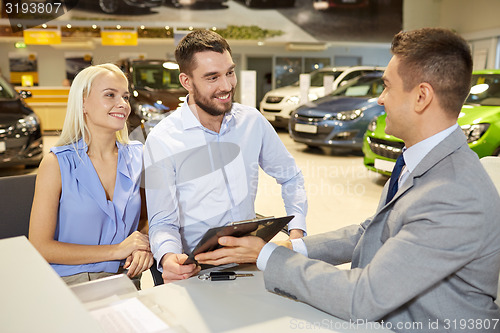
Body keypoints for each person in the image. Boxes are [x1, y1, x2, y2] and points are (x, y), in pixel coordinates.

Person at [196, 28, 500, 331]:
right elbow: (372, 232)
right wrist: (293, 248)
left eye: (387, 87)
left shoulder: (454, 194)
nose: (380, 100)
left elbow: (362, 297)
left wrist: (267, 256)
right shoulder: (420, 160)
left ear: (422, 96)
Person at [143, 29, 308, 283]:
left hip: (249, 263)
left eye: (230, 72)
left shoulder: (252, 121)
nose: (227, 86)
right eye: (212, 77)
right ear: (187, 81)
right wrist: (168, 257)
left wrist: (296, 233)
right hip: (197, 272)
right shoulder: (163, 140)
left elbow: (291, 177)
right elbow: (162, 220)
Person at [29, 63, 153, 288]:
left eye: (125, 96)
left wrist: (143, 244)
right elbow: (40, 247)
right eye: (110, 95)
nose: (122, 104)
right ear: (83, 103)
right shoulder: (56, 163)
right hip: (70, 285)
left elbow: (147, 219)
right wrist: (116, 250)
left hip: (125, 281)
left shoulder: (139, 156)